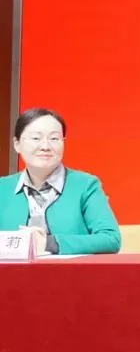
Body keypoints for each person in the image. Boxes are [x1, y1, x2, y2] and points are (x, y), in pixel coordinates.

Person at [0, 107, 121, 255]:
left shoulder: (85, 185)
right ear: (17, 144)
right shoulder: (3, 188)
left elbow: (110, 239)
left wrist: (50, 243)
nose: (45, 147)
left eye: (54, 139)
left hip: (70, 270)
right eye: (36, 138)